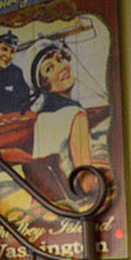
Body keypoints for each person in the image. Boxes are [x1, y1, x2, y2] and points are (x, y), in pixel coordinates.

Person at [27, 40, 93, 179]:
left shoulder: (41, 117)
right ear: (44, 85)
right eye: (49, 68)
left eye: (60, 59)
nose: (61, 67)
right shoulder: (76, 115)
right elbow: (86, 181)